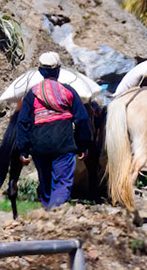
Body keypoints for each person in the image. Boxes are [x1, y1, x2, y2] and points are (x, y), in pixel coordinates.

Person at [10, 51, 91, 209]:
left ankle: (46, 214)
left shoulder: (32, 94)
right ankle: (54, 214)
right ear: (58, 70)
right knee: (62, 183)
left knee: (45, 184)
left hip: (39, 147)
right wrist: (83, 145)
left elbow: (23, 122)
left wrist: (23, 150)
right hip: (63, 145)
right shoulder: (68, 91)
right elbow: (82, 119)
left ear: (40, 71)